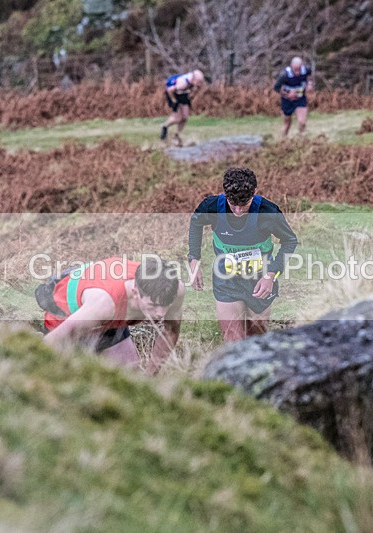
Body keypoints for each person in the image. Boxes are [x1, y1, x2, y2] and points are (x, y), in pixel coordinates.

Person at [188, 167, 298, 342]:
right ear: (225, 194)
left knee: (257, 340)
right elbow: (195, 223)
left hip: (260, 280)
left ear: (255, 192)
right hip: (227, 280)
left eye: (243, 205)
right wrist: (194, 259)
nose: (238, 211)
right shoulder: (212, 206)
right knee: (233, 341)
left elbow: (290, 241)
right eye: (233, 205)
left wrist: (271, 275)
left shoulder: (268, 212)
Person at [36, 256, 185, 374]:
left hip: (110, 316)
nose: (160, 313)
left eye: (165, 306)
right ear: (135, 293)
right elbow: (49, 342)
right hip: (65, 315)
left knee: (131, 379)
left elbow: (170, 331)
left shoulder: (174, 290)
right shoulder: (103, 304)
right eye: (153, 306)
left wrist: (150, 376)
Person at [160, 69, 207, 145]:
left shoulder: (195, 82)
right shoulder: (183, 83)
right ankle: (165, 126)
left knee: (185, 118)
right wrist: (174, 100)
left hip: (182, 93)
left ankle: (176, 136)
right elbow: (170, 90)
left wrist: (192, 94)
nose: (200, 84)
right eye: (199, 82)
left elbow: (194, 91)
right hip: (173, 94)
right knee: (177, 118)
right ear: (194, 79)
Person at [273, 56, 314, 137]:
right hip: (287, 100)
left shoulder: (306, 70)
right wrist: (286, 94)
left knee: (302, 122)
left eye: (299, 69)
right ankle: (283, 140)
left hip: (300, 98)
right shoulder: (284, 74)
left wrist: (309, 84)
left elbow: (310, 76)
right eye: (295, 70)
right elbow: (276, 88)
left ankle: (300, 138)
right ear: (291, 66)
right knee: (287, 122)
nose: (297, 72)